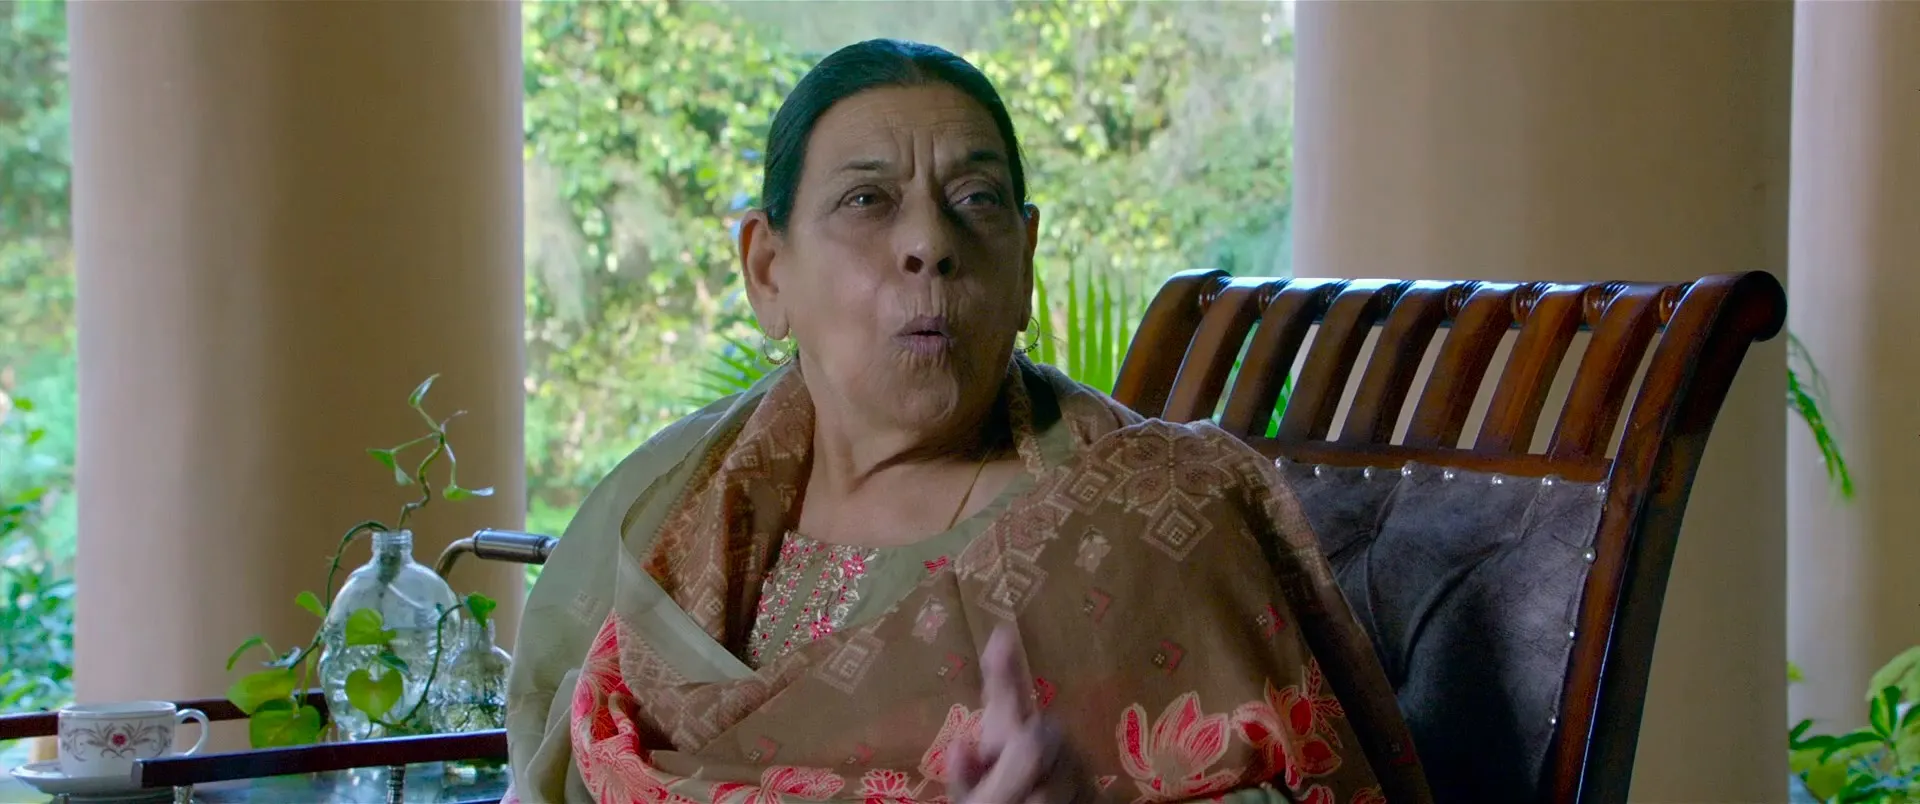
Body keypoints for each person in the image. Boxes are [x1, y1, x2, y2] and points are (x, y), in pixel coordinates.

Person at [505, 39, 1430, 804]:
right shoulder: (675, 496)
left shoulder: (1151, 519)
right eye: (867, 200)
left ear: (1024, 262)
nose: (930, 243)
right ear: (767, 269)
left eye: (976, 201)